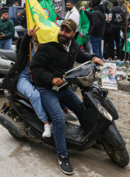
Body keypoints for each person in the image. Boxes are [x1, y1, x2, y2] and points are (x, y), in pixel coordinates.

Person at [30, 19, 103, 175]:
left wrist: (93, 57)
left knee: (83, 110)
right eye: (61, 29)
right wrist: (51, 79)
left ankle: (90, 137)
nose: (62, 33)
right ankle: (62, 155)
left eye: (66, 31)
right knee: (59, 118)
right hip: (46, 89)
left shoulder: (74, 45)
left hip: (63, 87)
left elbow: (81, 56)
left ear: (73, 33)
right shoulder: (49, 45)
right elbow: (34, 66)